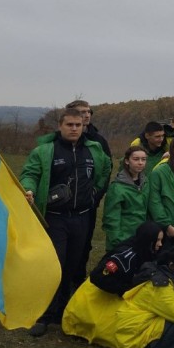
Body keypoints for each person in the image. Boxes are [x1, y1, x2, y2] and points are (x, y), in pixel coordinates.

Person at [20, 107, 112, 337]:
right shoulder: (45, 151)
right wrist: (29, 188)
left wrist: (94, 196)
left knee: (73, 266)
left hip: (82, 217)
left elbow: (103, 172)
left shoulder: (94, 150)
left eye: (78, 125)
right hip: (55, 218)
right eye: (69, 125)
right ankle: (43, 315)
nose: (74, 129)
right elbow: (30, 173)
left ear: (84, 126)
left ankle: (62, 312)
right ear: (60, 126)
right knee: (54, 267)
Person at [61, 222, 164, 348]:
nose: (160, 244)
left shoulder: (147, 252)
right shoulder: (124, 256)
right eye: (158, 240)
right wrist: (125, 289)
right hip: (101, 296)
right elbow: (98, 277)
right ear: (148, 240)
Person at [67, 99, 113, 287]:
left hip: (88, 203)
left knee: (84, 245)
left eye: (88, 111)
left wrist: (95, 196)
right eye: (81, 112)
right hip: (61, 204)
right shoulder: (60, 138)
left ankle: (77, 282)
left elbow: (106, 169)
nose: (86, 115)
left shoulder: (98, 140)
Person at [103, 145, 150, 251]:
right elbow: (111, 218)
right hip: (122, 238)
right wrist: (118, 241)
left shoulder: (146, 183)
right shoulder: (117, 187)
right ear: (127, 161)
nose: (140, 163)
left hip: (141, 237)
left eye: (143, 159)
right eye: (136, 159)